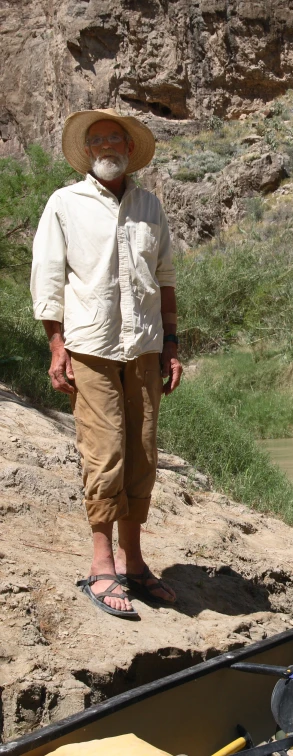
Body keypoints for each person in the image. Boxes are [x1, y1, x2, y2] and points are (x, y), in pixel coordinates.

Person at [30, 108, 182, 620]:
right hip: (89, 349)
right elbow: (48, 280)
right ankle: (102, 565)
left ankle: (134, 561)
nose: (106, 146)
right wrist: (57, 348)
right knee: (104, 454)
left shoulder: (149, 206)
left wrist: (173, 344)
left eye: (114, 138)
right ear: (88, 151)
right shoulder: (64, 204)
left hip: (144, 348)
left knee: (141, 454)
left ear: (128, 148)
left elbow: (164, 277)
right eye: (97, 140)